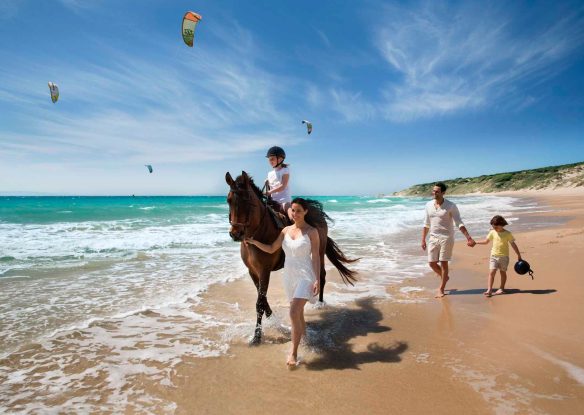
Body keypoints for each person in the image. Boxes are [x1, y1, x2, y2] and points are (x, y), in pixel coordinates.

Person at [244, 197, 320, 366]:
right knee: (298, 313)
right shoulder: (285, 230)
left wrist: (317, 279)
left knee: (293, 312)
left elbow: (315, 258)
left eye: (299, 210)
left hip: (306, 275)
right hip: (289, 276)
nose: (295, 213)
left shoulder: (312, 232)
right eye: (293, 210)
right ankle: (306, 339)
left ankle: (293, 354)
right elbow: (271, 248)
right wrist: (254, 241)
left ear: (306, 212)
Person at [422, 182, 476, 298]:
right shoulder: (428, 205)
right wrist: (423, 240)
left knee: (444, 262)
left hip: (446, 238)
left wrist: (468, 237)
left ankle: (441, 288)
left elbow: (459, 222)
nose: (434, 193)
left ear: (443, 192)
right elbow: (426, 224)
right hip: (433, 237)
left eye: (437, 191)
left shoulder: (451, 205)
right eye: (433, 191)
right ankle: (445, 277)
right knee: (431, 263)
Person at [474, 215, 522, 297]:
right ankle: (489, 289)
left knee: (502, 272)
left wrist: (518, 254)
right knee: (491, 272)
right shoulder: (492, 232)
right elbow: (486, 242)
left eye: (496, 227)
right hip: (493, 256)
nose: (494, 228)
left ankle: (501, 288)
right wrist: (475, 242)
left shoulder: (507, 234)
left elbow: (513, 244)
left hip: (504, 257)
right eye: (493, 227)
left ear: (501, 224)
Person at [266, 146, 292, 220]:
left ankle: (298, 229)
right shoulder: (270, 173)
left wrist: (269, 192)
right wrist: (267, 181)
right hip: (273, 202)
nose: (270, 161)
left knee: (291, 217)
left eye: (272, 159)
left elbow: (283, 186)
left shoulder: (285, 170)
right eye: (269, 159)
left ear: (280, 159)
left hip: (284, 201)